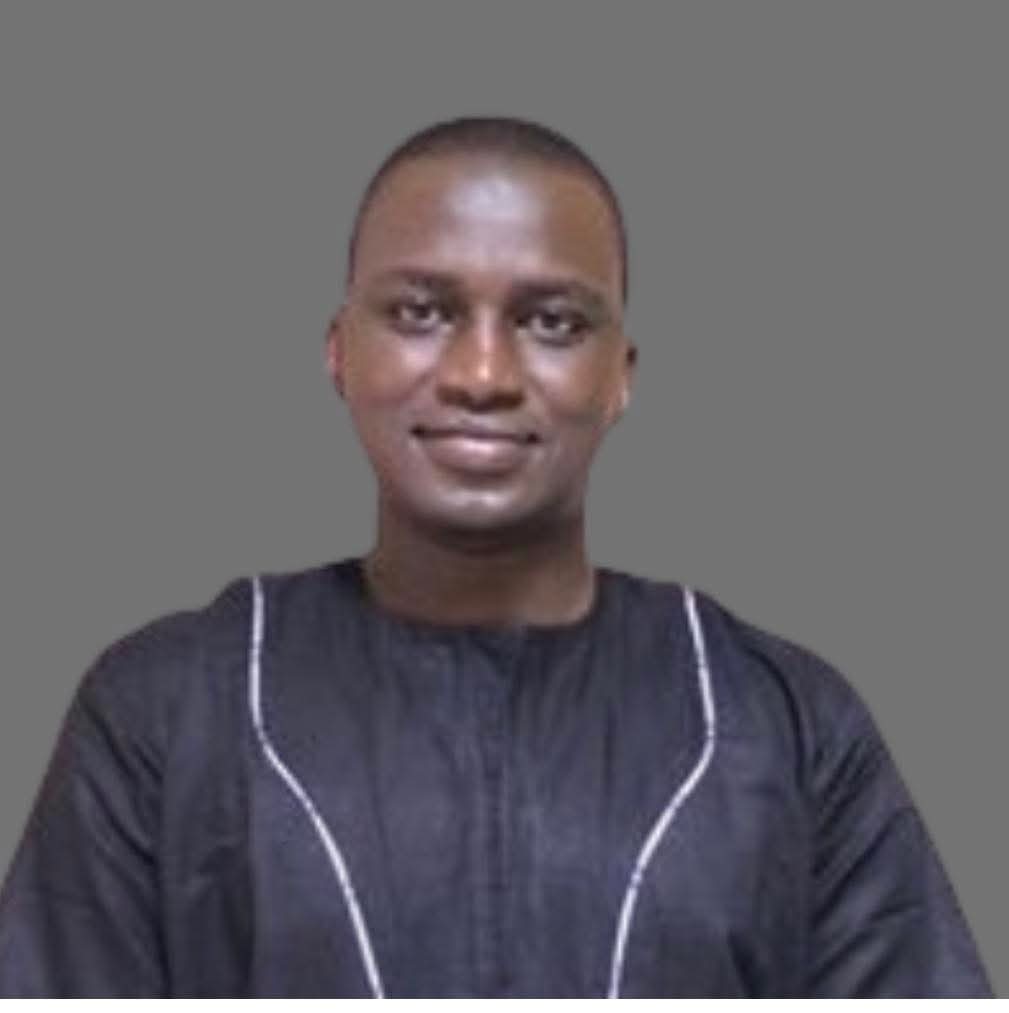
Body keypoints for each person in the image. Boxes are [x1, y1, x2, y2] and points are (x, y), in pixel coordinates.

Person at [0, 116, 993, 998]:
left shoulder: (781, 722)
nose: (482, 374)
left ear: (620, 375)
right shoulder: (170, 710)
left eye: (551, 321)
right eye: (420, 312)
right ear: (339, 350)